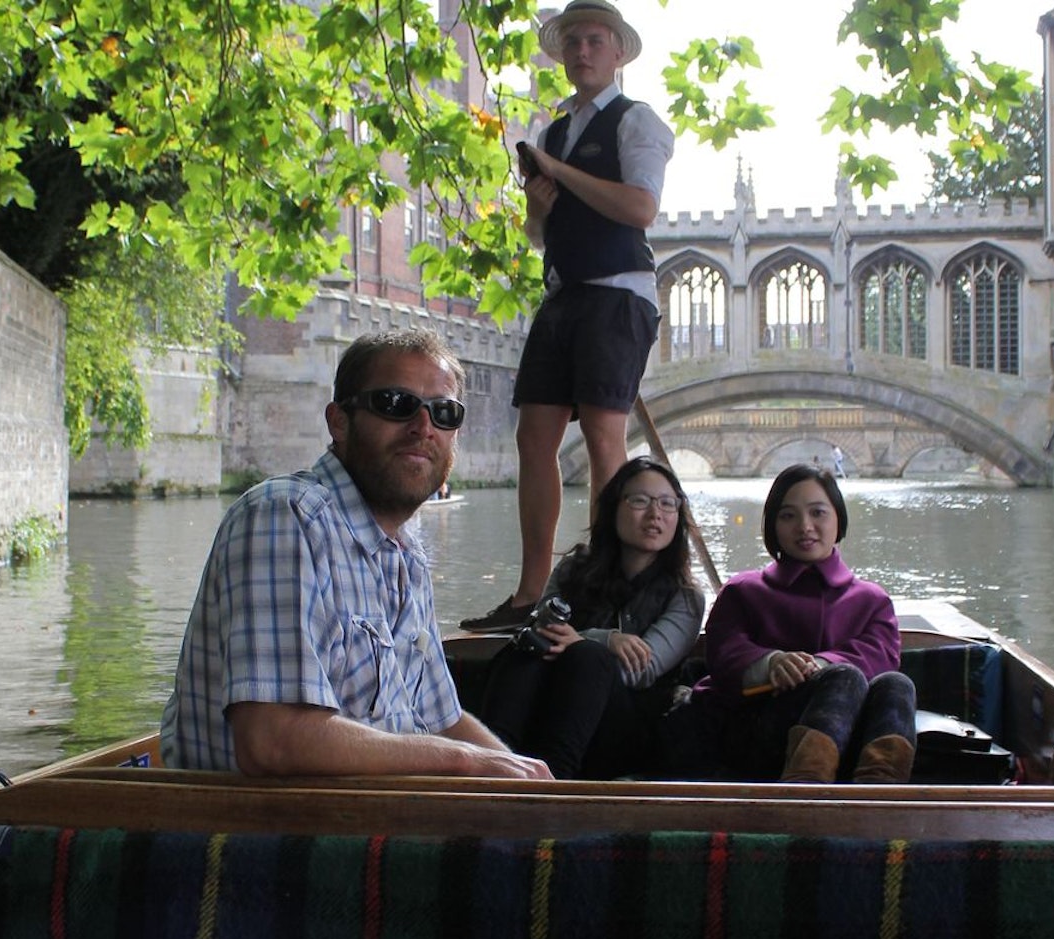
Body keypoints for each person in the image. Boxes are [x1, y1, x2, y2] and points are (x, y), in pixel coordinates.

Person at [159, 329, 551, 781]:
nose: (424, 427)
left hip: (380, 817)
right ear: (340, 421)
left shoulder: (407, 555)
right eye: (394, 403)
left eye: (444, 413)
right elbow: (272, 741)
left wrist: (538, 786)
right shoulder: (286, 518)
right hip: (272, 835)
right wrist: (463, 761)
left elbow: (443, 720)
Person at [461, 0, 676, 632]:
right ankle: (531, 593)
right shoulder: (553, 132)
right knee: (535, 437)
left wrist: (559, 172)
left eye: (594, 41)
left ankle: (605, 592)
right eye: (572, 42)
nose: (581, 51)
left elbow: (641, 209)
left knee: (606, 436)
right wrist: (537, 205)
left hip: (619, 292)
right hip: (564, 293)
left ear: (617, 53)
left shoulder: (638, 123)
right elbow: (538, 236)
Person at [663, 463, 916, 783]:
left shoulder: (872, 600)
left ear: (839, 519)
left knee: (896, 684)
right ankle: (804, 788)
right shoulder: (743, 590)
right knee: (845, 676)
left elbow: (880, 656)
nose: (805, 526)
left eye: (818, 513)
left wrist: (817, 666)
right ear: (773, 526)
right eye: (788, 516)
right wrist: (771, 664)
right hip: (747, 730)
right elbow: (724, 652)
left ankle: (880, 791)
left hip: (843, 738)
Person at [478, 457, 704, 778]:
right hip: (554, 702)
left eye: (668, 504)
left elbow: (642, 669)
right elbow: (544, 625)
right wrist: (606, 639)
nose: (655, 514)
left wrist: (589, 641)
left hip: (625, 729)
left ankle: (556, 780)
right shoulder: (575, 568)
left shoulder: (686, 597)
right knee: (527, 646)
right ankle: (495, 761)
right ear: (613, 508)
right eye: (640, 501)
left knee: (589, 658)